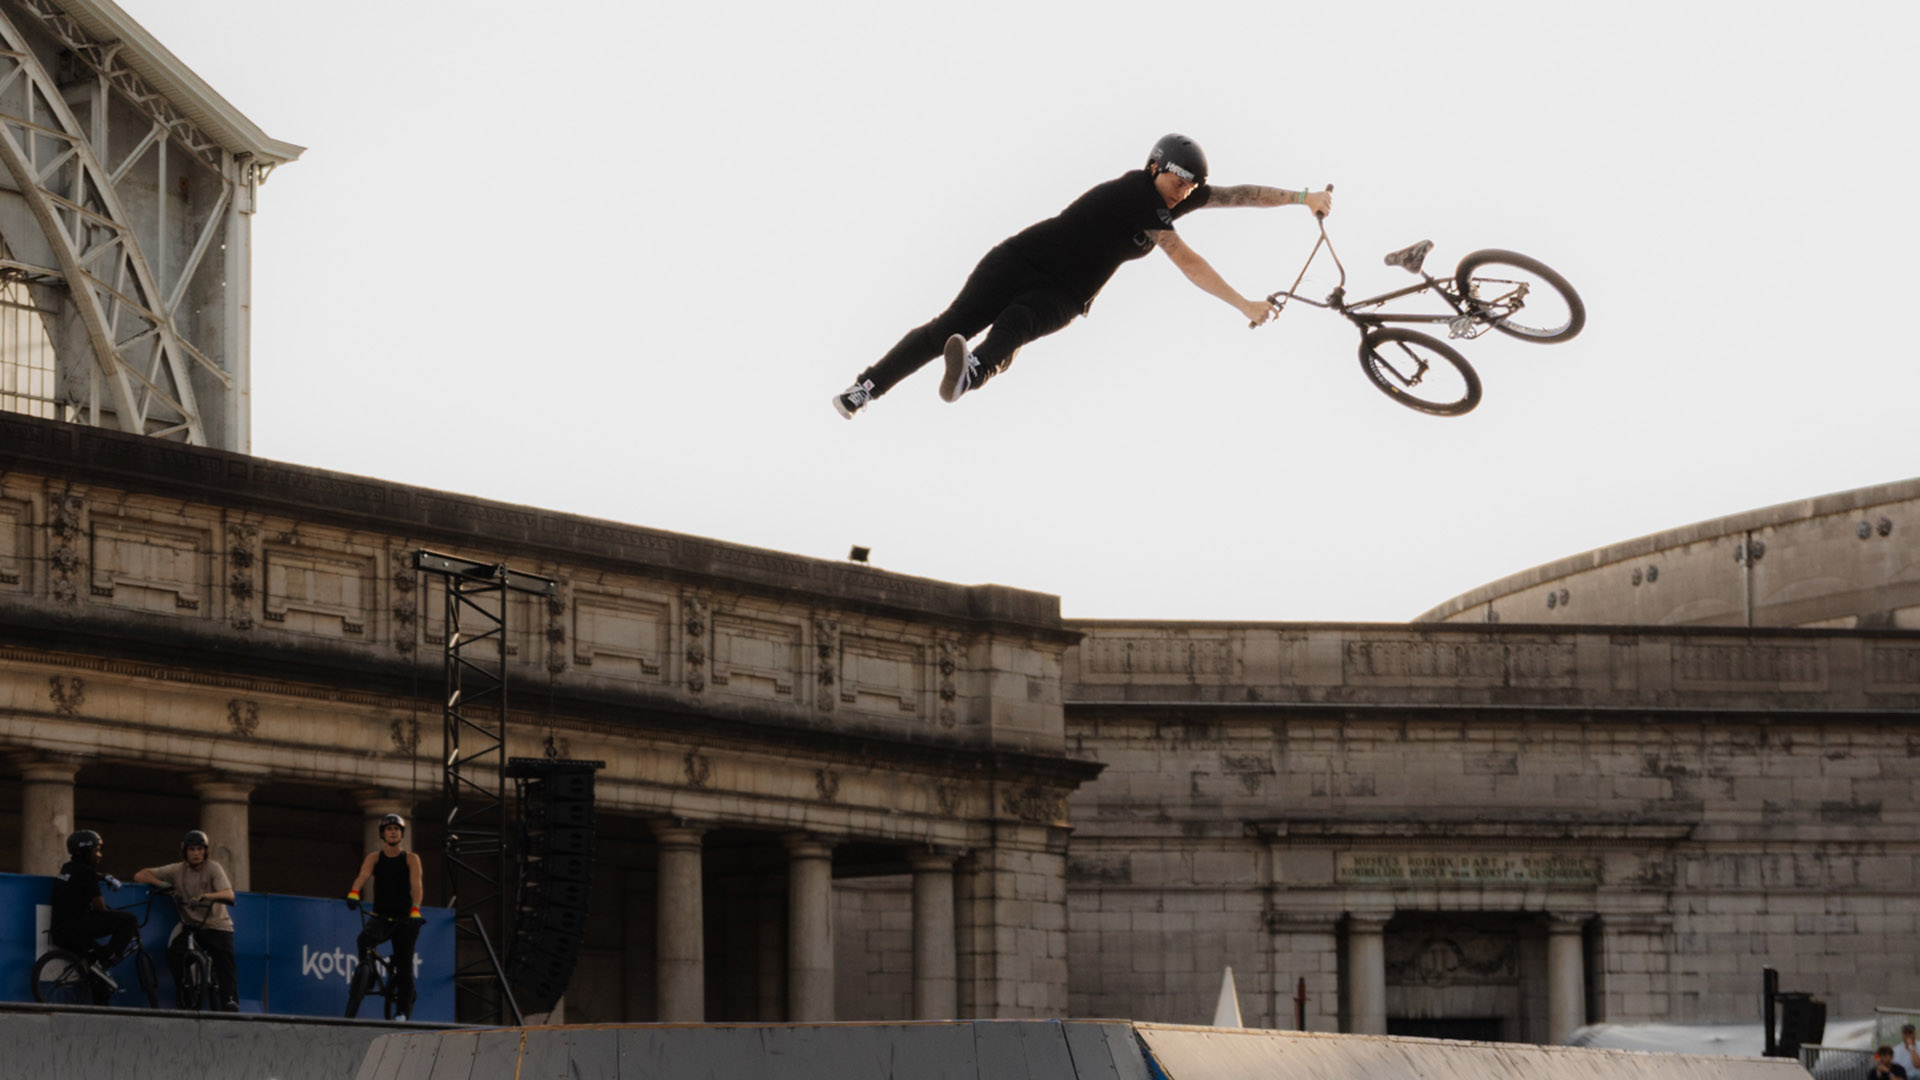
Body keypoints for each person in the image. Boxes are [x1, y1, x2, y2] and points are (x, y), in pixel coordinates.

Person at [831, 133, 1332, 418]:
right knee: (949, 325)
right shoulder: (1137, 194)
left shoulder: (1184, 193)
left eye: (1189, 186)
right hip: (1020, 258)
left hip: (1066, 292)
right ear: (1154, 166)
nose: (1182, 193)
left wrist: (1303, 197)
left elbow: (1240, 194)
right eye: (1175, 181)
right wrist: (1244, 303)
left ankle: (973, 372)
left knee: (1019, 322)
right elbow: (1187, 261)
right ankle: (864, 390)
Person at [134, 828, 239, 1011]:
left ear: (205, 851)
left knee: (225, 961)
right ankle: (185, 990)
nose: (196, 853)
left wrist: (207, 896)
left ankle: (229, 999)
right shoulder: (177, 870)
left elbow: (229, 895)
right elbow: (140, 875)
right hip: (192, 927)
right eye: (192, 849)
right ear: (185, 852)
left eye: (200, 849)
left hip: (217, 925)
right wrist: (165, 885)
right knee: (174, 955)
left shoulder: (213, 868)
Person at [345, 812, 425, 1021]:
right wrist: (354, 892)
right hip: (381, 915)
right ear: (382, 834)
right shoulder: (374, 858)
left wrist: (416, 909)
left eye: (396, 829)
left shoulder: (410, 858)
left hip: (405, 919)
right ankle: (368, 976)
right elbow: (363, 876)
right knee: (363, 940)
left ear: (401, 834)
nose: (392, 832)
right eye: (389, 829)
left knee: (404, 965)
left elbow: (417, 885)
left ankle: (402, 1012)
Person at [48, 829, 137, 1003]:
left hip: (60, 932)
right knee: (129, 919)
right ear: (85, 851)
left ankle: (101, 1007)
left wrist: (104, 877)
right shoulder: (87, 873)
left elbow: (79, 876)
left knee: (97, 972)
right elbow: (100, 908)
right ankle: (108, 957)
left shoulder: (67, 868)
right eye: (96, 850)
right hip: (75, 929)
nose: (99, 855)